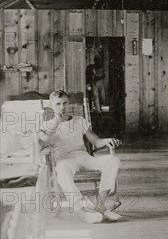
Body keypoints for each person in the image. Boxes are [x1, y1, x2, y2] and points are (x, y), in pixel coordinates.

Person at [39, 90, 122, 224]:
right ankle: (81, 212)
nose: (62, 107)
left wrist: (106, 140)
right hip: (64, 159)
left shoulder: (79, 121)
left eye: (65, 103)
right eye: (58, 104)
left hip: (83, 157)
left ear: (69, 103)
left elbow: (95, 141)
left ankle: (100, 205)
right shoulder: (47, 125)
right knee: (62, 169)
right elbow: (44, 141)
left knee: (113, 160)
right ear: (51, 105)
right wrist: (56, 122)